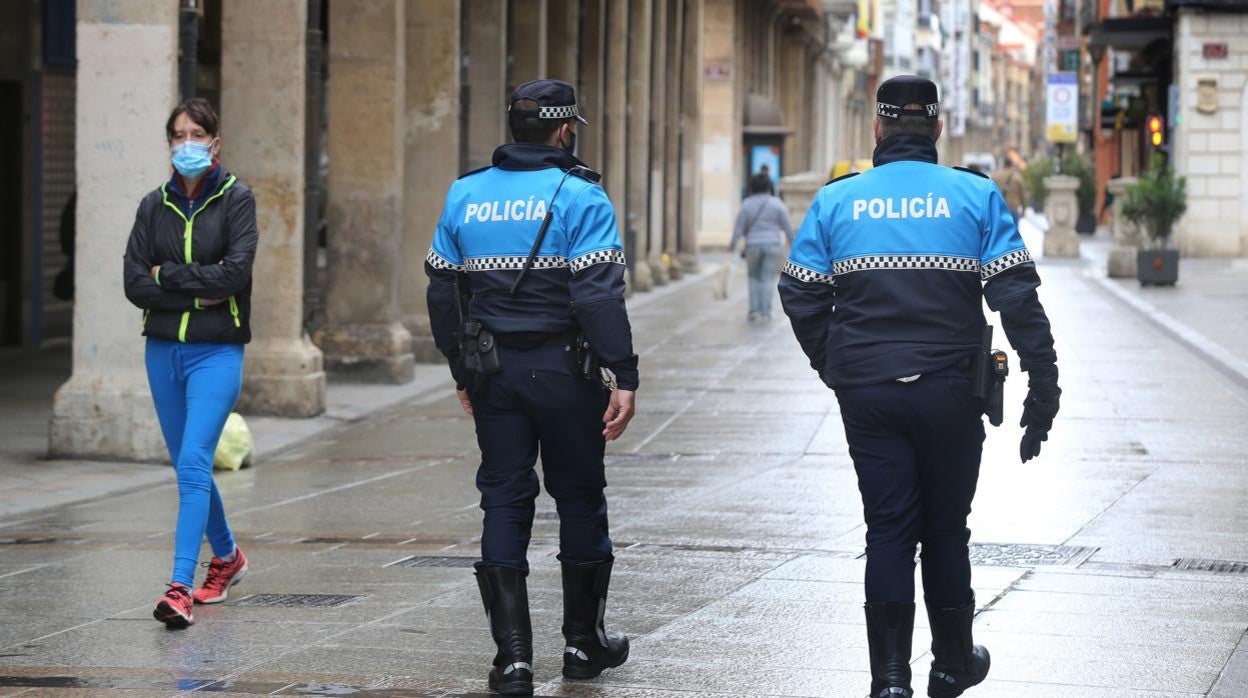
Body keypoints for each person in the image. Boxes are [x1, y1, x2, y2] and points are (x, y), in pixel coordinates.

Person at [779, 75, 1060, 698]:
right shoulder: (975, 195)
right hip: (952, 392)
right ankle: (953, 663)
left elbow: (798, 293)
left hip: (870, 395)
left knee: (887, 531)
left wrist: (840, 365)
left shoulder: (836, 201)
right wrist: (1045, 384)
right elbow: (1017, 300)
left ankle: (888, 683)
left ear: (877, 129)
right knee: (944, 528)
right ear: (936, 128)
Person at [425, 79, 637, 696]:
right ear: (565, 130)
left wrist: (461, 370)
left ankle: (513, 661)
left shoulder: (464, 194)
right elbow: (598, 295)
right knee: (578, 497)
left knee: (504, 500)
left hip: (495, 376)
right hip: (567, 375)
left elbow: (443, 292)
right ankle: (582, 644)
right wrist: (623, 373)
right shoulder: (581, 195)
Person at [122, 98, 257, 629]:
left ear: (215, 142)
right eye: (178, 135)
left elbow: (234, 277)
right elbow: (134, 284)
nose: (187, 143)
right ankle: (227, 557)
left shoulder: (237, 199)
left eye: (196, 133)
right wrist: (191, 286)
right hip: (162, 352)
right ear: (169, 144)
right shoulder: (152, 206)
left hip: (217, 352)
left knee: (196, 462)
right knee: (188, 465)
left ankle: (179, 587)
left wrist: (166, 277)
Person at [728, 172, 793, 321]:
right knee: (768, 277)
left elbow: (739, 228)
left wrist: (732, 245)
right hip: (773, 245)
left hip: (752, 245)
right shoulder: (777, 204)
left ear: (751, 188)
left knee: (753, 277)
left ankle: (753, 310)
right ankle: (766, 310)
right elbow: (788, 227)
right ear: (769, 187)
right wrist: (793, 244)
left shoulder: (746, 204)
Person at [991, 155, 1027, 225]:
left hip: (999, 209)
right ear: (1011, 165)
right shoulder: (1017, 177)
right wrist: (1024, 209)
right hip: (1013, 208)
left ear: (1004, 164)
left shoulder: (995, 176)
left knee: (1000, 233)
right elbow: (1022, 195)